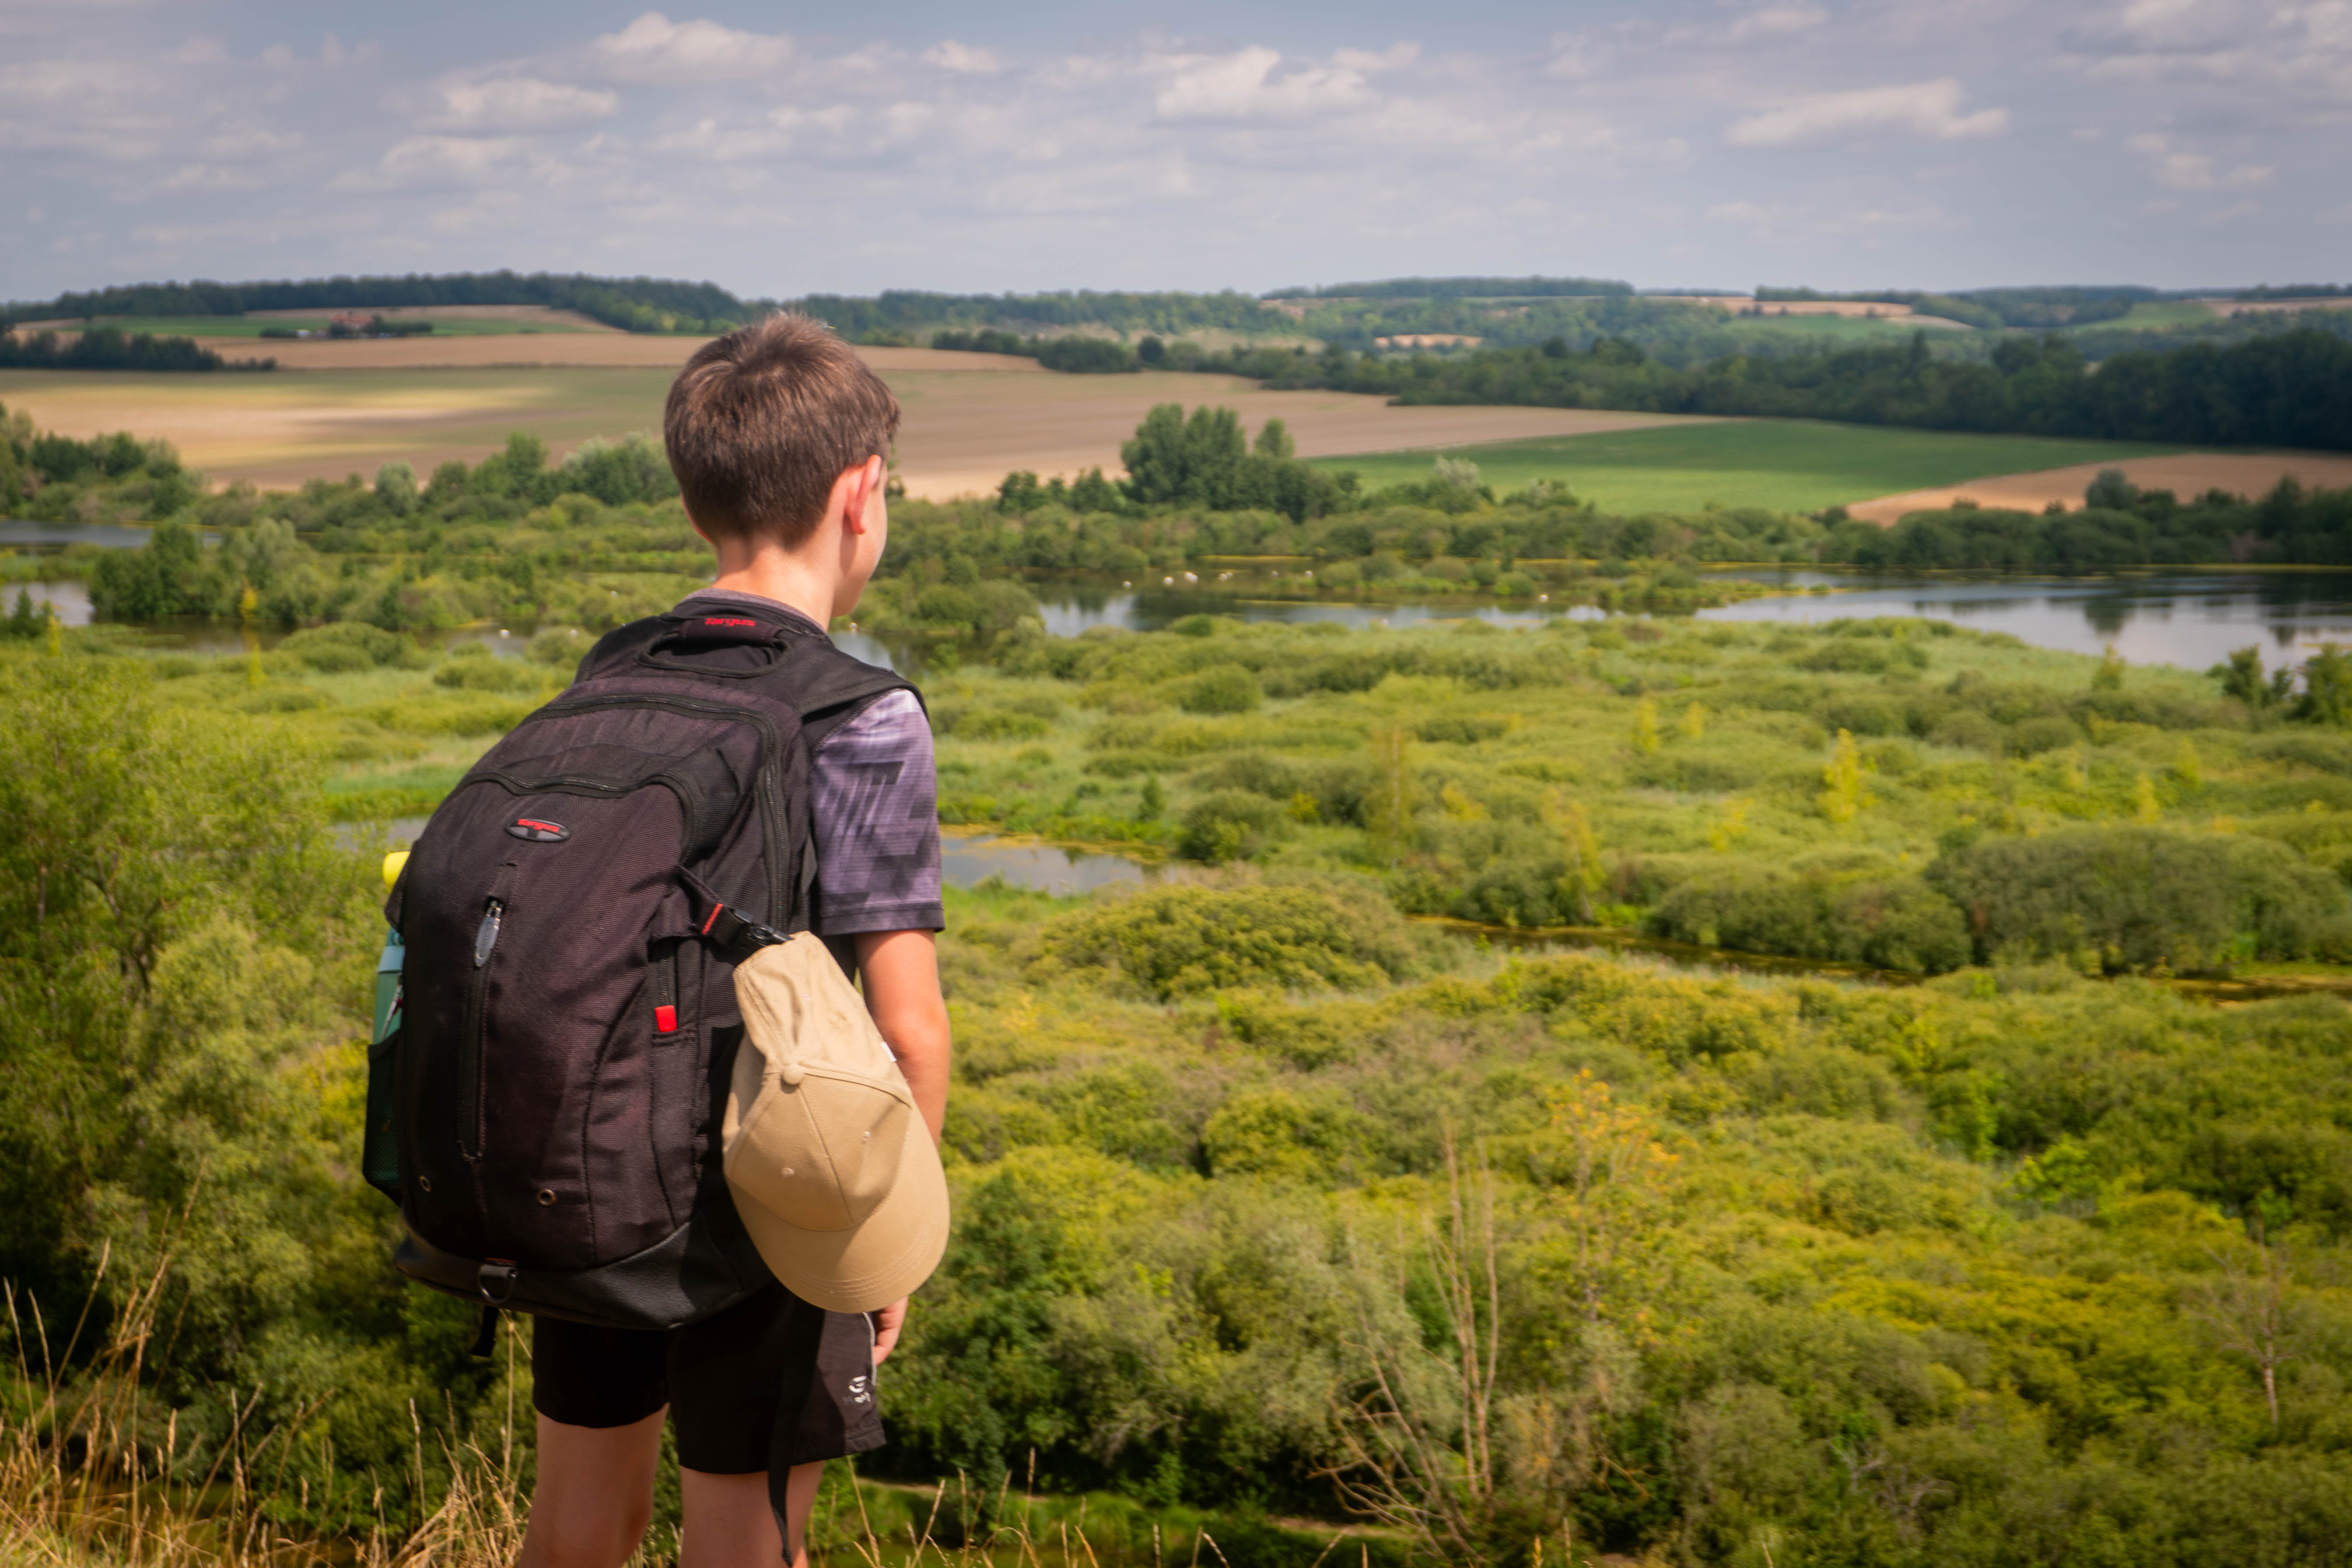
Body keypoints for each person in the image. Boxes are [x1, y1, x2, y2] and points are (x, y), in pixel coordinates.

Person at [516, 314, 951, 1568]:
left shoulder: (610, 674)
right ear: (860, 497)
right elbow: (910, 1028)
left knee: (574, 1533)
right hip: (779, 1199)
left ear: (696, 498)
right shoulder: (862, 714)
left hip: (594, 1167)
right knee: (748, 1541)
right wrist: (884, 1239)